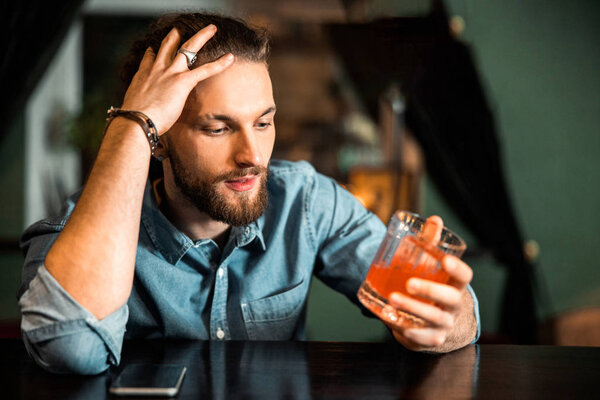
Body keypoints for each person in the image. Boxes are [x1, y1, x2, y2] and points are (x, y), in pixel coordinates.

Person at [18, 12, 480, 375]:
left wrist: (443, 317)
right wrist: (131, 124)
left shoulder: (304, 200)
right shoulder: (84, 226)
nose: (252, 155)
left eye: (263, 122)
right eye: (218, 128)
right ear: (158, 138)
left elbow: (457, 314)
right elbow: (69, 348)